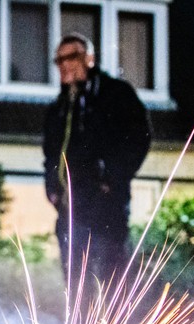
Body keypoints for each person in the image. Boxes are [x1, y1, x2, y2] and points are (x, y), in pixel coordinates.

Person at [43, 33, 151, 294]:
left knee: (113, 284)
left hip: (106, 211)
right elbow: (50, 156)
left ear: (89, 59)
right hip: (71, 211)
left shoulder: (115, 95)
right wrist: (54, 191)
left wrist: (110, 177)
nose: (65, 64)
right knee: (77, 290)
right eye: (59, 60)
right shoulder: (59, 108)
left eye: (72, 57)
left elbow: (139, 138)